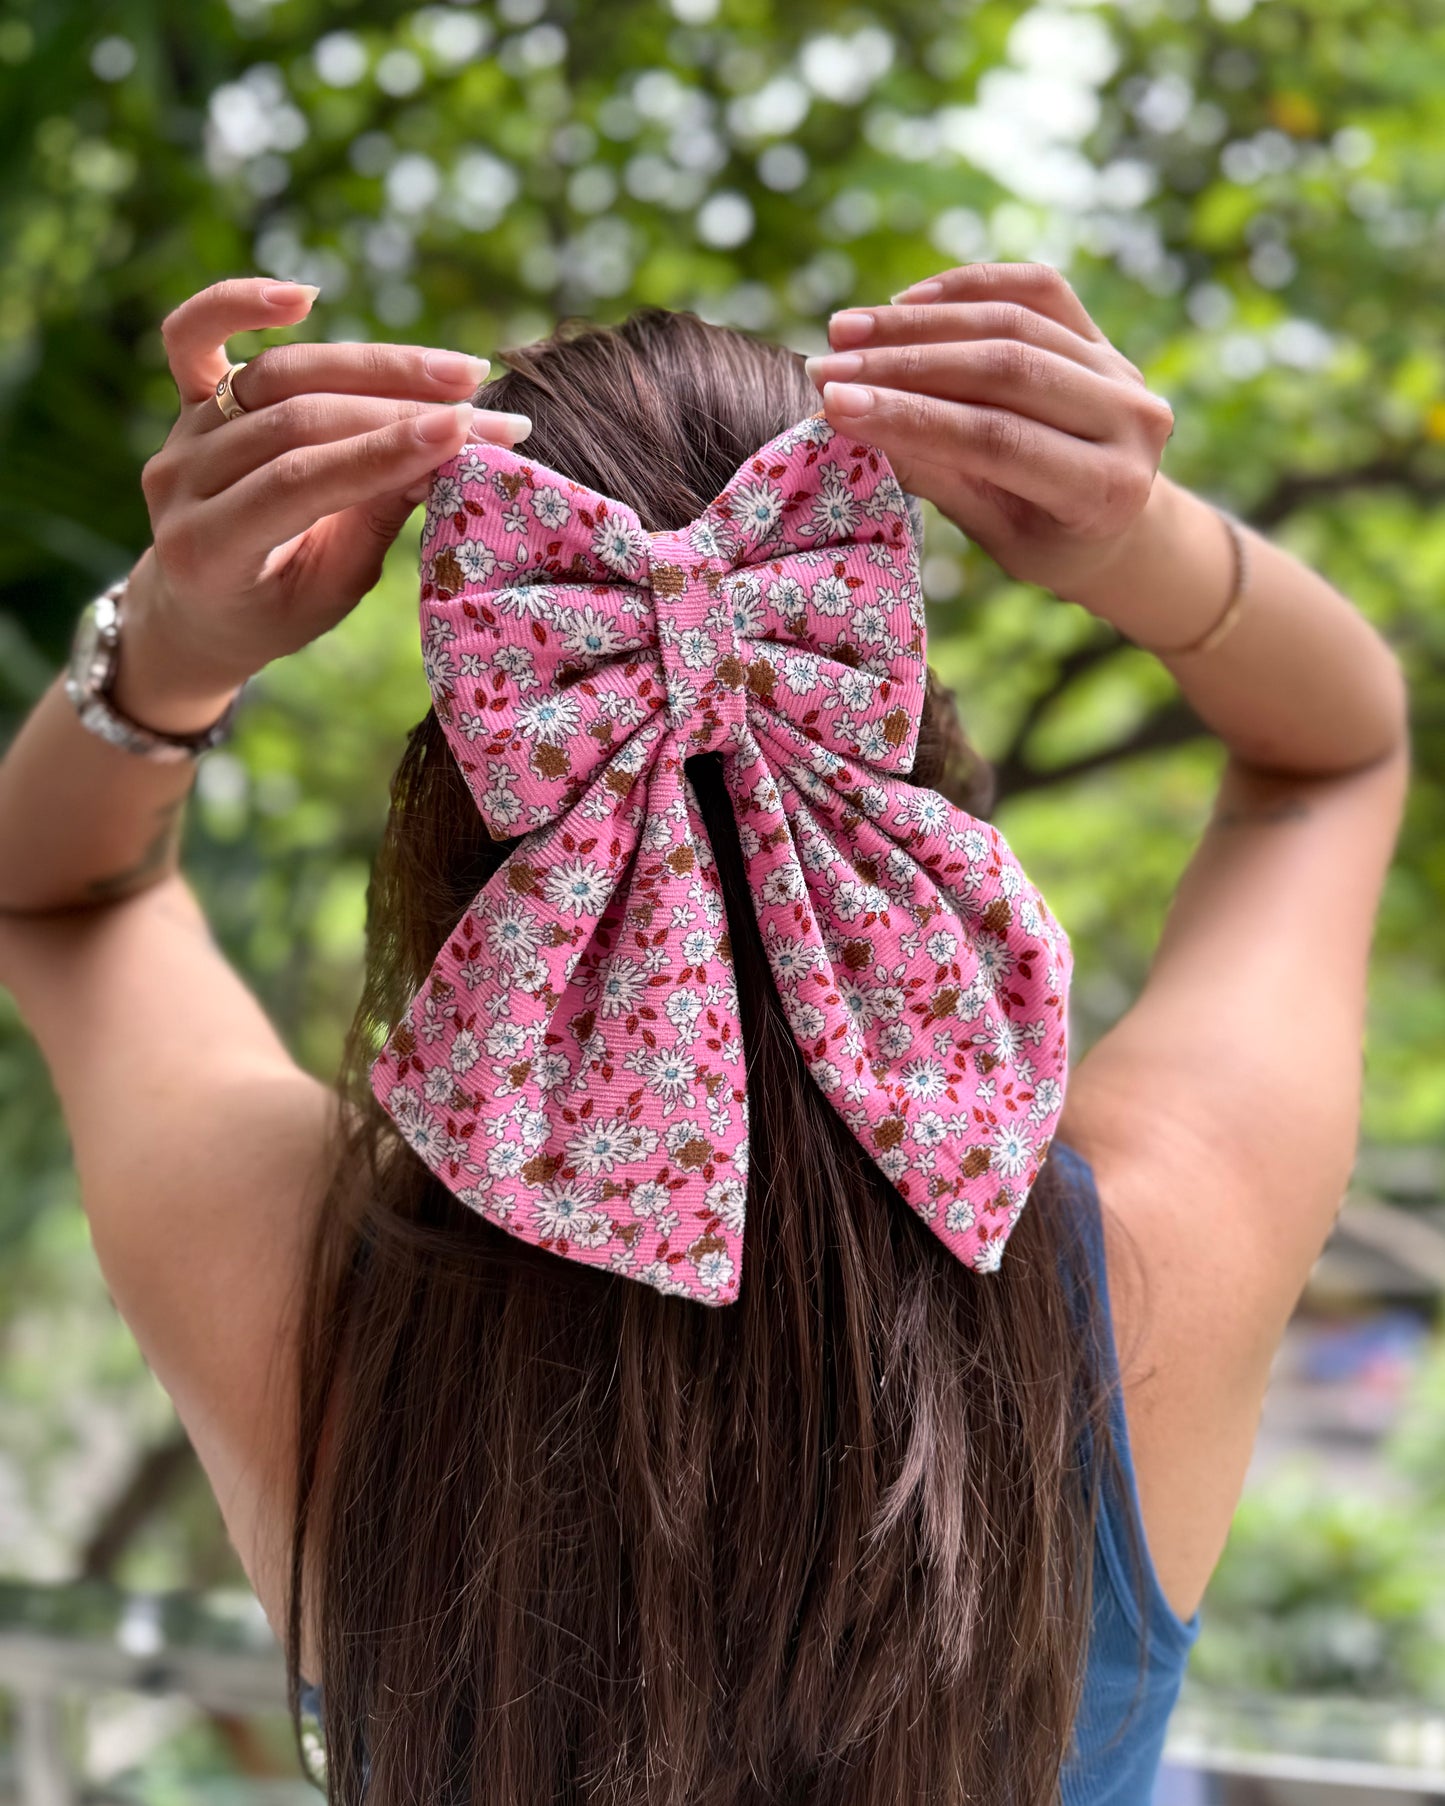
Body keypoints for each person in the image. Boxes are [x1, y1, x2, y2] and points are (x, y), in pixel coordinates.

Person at [0, 269, 1408, 1806]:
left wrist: (176, 636)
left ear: (474, 775)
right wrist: (1142, 541)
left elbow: (59, 897)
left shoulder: (295, 1299)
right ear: (887, 697)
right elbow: (1332, 754)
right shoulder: (1158, 1257)